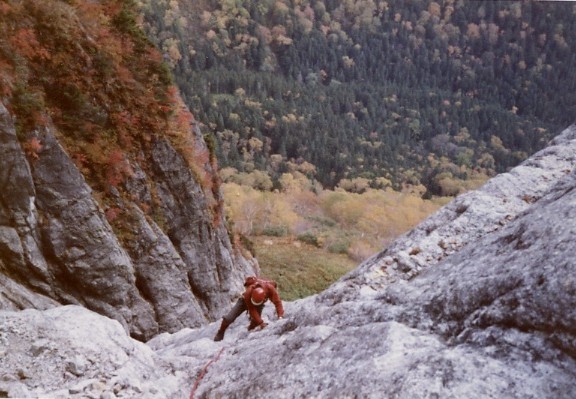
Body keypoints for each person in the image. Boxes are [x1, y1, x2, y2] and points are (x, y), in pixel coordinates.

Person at [214, 276, 284, 342]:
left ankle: (249, 332)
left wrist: (280, 316)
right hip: (244, 302)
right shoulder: (249, 292)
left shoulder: (270, 289)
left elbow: (277, 302)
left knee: (255, 323)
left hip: (259, 304)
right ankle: (220, 332)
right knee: (229, 318)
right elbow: (252, 310)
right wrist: (261, 322)